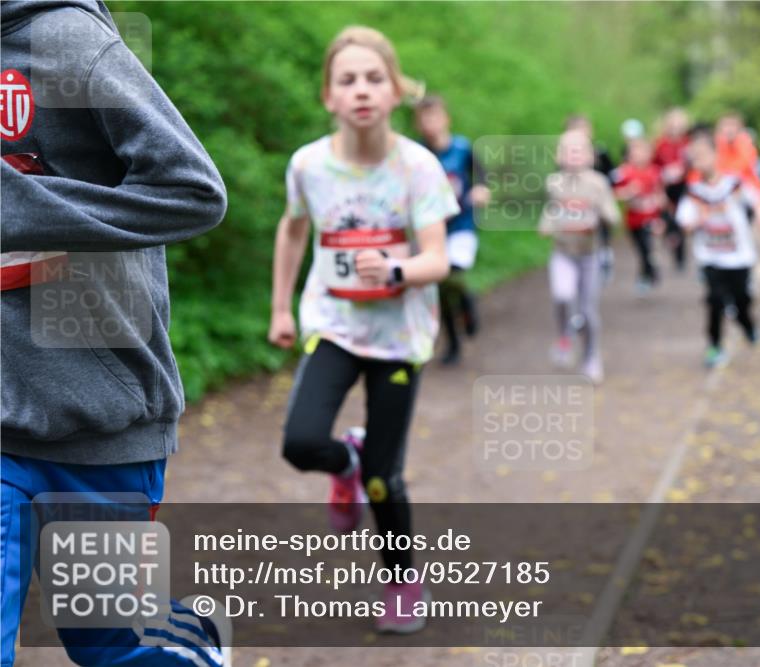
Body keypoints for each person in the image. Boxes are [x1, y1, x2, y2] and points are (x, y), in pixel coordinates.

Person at [1, 1, 230, 665]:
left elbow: (193, 191)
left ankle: (194, 648)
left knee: (108, 648)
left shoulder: (66, 40)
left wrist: (22, 210)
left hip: (99, 423)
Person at [268, 26, 458, 634]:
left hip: (400, 335)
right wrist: (280, 307)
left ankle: (402, 580)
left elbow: (440, 258)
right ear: (328, 95)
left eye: (374, 78)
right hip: (335, 324)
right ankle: (339, 460)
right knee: (300, 444)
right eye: (347, 80)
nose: (362, 91)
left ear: (397, 90)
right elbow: (294, 229)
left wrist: (398, 268)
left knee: (385, 476)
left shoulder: (418, 167)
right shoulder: (309, 166)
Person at [676, 127, 760, 369]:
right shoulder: (694, 192)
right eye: (694, 157)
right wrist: (700, 218)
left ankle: (749, 326)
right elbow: (685, 224)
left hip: (739, 257)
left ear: (715, 154)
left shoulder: (734, 184)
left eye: (703, 155)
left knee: (742, 301)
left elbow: (758, 200)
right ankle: (715, 345)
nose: (699, 161)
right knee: (715, 301)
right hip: (711, 257)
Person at [413, 95, 490, 366]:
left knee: (452, 271)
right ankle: (453, 342)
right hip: (432, 231)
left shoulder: (462, 148)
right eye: (424, 118)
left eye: (434, 116)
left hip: (462, 226)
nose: (430, 123)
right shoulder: (418, 155)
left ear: (446, 119)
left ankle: (468, 303)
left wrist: (482, 189)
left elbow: (482, 174)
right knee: (441, 286)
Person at [539, 129, 621, 384]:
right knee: (562, 295)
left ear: (590, 156)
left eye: (579, 151)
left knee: (587, 312)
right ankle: (564, 338)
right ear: (559, 156)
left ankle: (591, 356)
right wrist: (547, 225)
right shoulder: (554, 183)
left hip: (589, 256)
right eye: (568, 151)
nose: (574, 156)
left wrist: (598, 213)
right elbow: (550, 214)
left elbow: (613, 216)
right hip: (563, 253)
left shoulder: (598, 183)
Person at [565, 115, 616, 284]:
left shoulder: (600, 150)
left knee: (601, 228)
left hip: (598, 197)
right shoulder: (566, 154)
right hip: (575, 201)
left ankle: (604, 256)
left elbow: (612, 173)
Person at [612, 137, 666, 295]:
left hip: (650, 218)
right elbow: (613, 194)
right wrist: (628, 192)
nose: (639, 155)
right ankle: (651, 271)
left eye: (643, 152)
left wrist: (660, 210)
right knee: (640, 249)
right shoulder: (624, 172)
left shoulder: (655, 171)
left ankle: (646, 276)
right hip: (633, 219)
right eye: (635, 152)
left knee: (647, 247)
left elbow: (660, 194)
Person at [653, 107, 691, 271]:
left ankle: (680, 256)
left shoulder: (688, 143)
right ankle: (672, 242)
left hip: (684, 186)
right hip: (666, 187)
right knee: (669, 220)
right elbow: (654, 165)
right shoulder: (660, 143)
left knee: (681, 220)